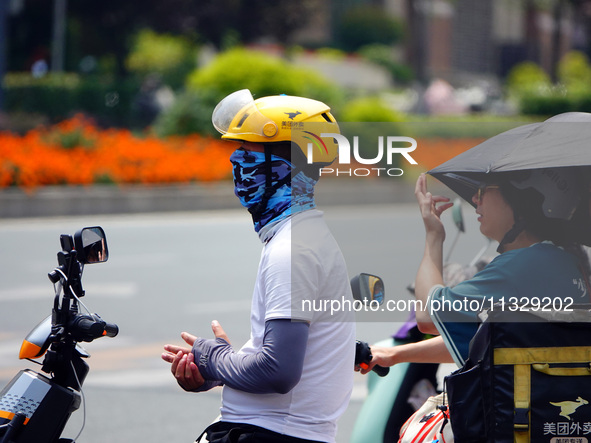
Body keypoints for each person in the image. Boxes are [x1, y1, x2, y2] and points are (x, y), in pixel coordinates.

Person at [161, 89, 356, 443]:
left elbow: (277, 371)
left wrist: (212, 358)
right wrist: (215, 372)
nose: (236, 163)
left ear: (288, 168)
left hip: (272, 434)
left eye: (248, 154)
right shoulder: (299, 238)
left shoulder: (293, 250)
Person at [362, 166, 591, 371]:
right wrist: (395, 354)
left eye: (483, 190)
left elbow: (427, 317)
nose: (474, 198)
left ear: (524, 198)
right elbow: (490, 338)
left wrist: (434, 236)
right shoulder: (566, 260)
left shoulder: (521, 265)